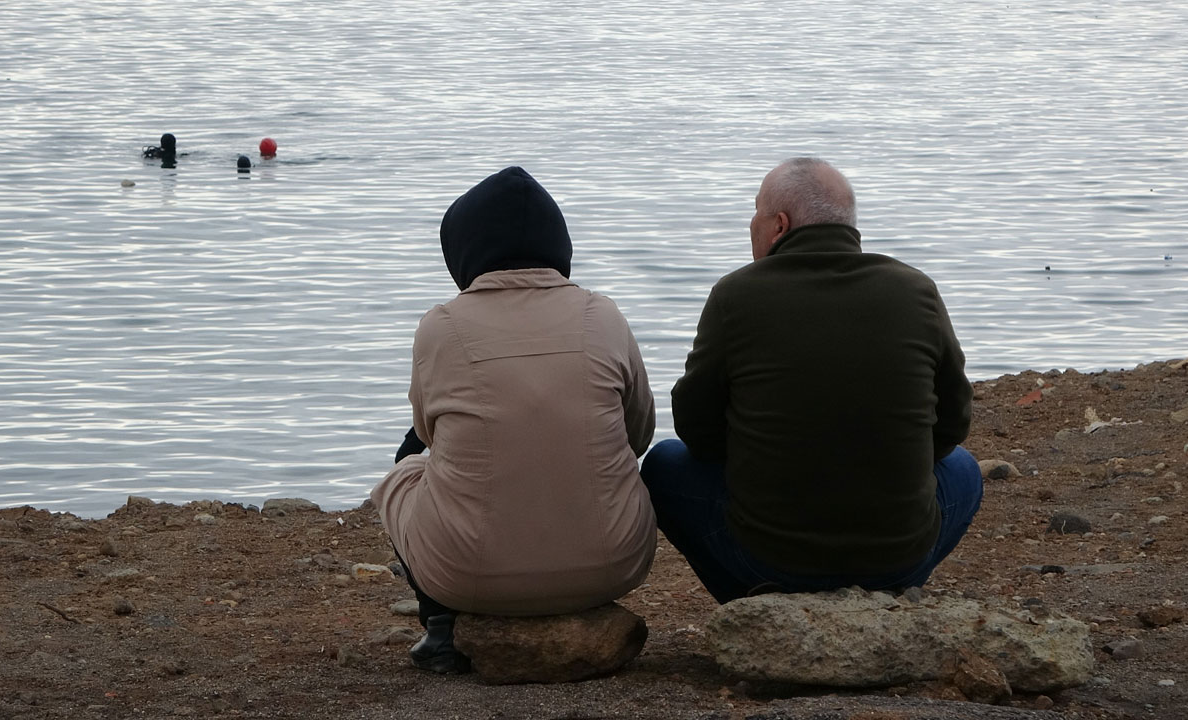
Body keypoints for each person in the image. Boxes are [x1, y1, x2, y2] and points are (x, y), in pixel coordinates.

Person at [641, 157, 982, 604]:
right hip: (898, 555)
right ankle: (886, 595)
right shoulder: (916, 289)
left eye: (756, 211)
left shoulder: (736, 295)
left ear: (779, 225)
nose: (751, 223)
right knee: (964, 470)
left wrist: (761, 460)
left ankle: (753, 602)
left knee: (664, 464)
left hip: (769, 557)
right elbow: (953, 425)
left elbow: (695, 429)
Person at [372, 166, 657, 673]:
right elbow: (638, 435)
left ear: (463, 248)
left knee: (406, 465)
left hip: (468, 574)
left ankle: (441, 628)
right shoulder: (603, 315)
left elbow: (430, 435)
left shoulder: (441, 326)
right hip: (614, 567)